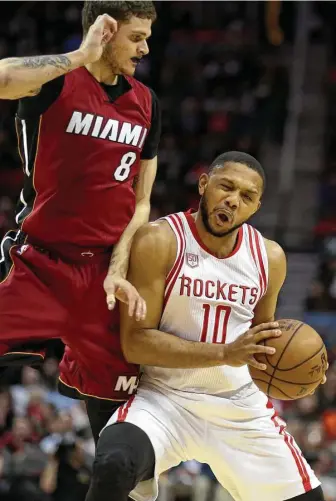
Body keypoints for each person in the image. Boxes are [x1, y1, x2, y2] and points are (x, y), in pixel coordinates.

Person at [87, 151, 327, 501]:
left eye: (246, 196)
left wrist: (307, 372)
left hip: (239, 405)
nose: (233, 200)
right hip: (165, 398)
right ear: (204, 185)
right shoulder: (159, 240)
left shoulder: (269, 257)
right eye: (225, 187)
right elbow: (136, 343)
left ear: (256, 207)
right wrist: (225, 353)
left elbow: (266, 345)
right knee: (113, 464)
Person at [0, 1, 160, 443]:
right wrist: (80, 56)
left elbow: (141, 201)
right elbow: (3, 78)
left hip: (104, 279)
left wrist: (117, 268)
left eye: (148, 36)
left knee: (124, 414)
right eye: (136, 36)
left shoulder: (146, 103)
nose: (146, 47)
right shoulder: (55, 82)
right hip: (39, 264)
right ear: (105, 33)